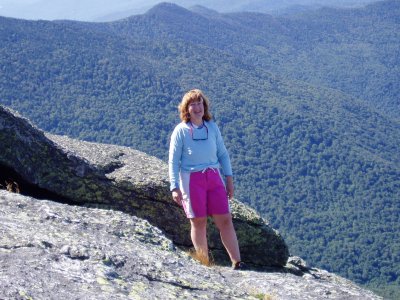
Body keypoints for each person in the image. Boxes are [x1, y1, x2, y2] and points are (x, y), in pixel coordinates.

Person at [168, 89, 244, 270]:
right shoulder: (181, 131)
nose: (197, 107)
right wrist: (174, 186)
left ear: (205, 106)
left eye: (200, 103)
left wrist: (229, 180)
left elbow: (223, 155)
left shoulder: (212, 127)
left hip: (214, 177)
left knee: (225, 219)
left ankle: (237, 261)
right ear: (186, 109)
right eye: (192, 104)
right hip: (191, 180)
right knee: (198, 221)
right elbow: (173, 160)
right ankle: (204, 263)